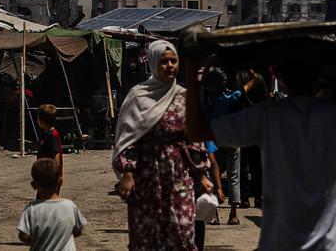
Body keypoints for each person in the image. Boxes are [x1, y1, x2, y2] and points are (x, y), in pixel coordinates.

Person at [186, 58, 336, 251]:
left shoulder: (269, 115)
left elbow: (196, 131)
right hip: (327, 245)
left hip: (279, 243)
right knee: (234, 176)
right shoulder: (329, 115)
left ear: (277, 75)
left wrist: (193, 74)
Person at [113, 40, 212, 251]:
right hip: (147, 179)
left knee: (183, 234)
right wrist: (128, 173)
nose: (170, 66)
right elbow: (128, 138)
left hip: (179, 178)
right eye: (164, 61)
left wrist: (202, 174)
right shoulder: (138, 97)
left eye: (173, 61)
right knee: (148, 237)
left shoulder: (184, 96)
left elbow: (193, 139)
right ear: (153, 62)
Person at [200, 66, 256, 224]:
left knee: (213, 173)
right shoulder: (231, 96)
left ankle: (214, 214)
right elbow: (248, 85)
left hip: (213, 139)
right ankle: (233, 215)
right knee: (234, 176)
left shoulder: (206, 100)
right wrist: (253, 75)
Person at [17, 158, 87, 251]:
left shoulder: (32, 208)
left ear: (34, 185)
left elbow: (23, 235)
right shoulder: (70, 206)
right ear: (60, 182)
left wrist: (37, 240)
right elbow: (78, 231)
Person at [36, 104, 64, 176]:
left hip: (50, 174)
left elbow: (56, 155)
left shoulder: (52, 135)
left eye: (38, 118)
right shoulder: (44, 133)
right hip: (43, 171)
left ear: (43, 121)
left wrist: (56, 175)